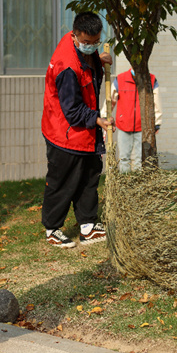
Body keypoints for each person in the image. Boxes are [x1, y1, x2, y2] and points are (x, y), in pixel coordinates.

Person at [41, 12, 114, 248]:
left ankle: (87, 227)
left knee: (89, 177)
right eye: (87, 42)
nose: (91, 46)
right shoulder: (66, 67)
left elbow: (88, 70)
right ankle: (53, 229)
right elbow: (72, 111)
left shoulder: (84, 52)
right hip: (64, 133)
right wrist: (98, 120)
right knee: (63, 182)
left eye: (96, 41)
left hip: (85, 133)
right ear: (75, 36)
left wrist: (99, 61)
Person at [103, 68, 162, 172]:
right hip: (124, 125)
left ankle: (137, 180)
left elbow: (156, 102)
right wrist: (105, 115)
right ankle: (124, 180)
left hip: (142, 127)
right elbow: (110, 100)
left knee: (140, 159)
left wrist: (156, 123)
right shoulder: (120, 79)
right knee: (124, 158)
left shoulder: (151, 79)